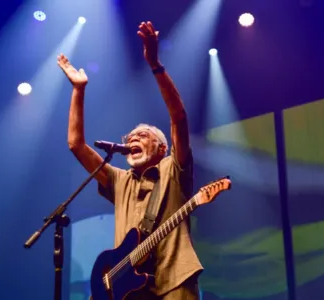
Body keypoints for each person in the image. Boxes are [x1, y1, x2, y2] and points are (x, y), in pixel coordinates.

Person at [57, 21, 203, 300]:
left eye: (143, 135)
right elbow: (76, 145)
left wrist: (155, 65)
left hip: (173, 280)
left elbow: (179, 118)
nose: (133, 138)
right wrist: (79, 90)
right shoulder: (119, 180)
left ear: (161, 148)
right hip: (128, 290)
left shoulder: (173, 169)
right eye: (130, 136)